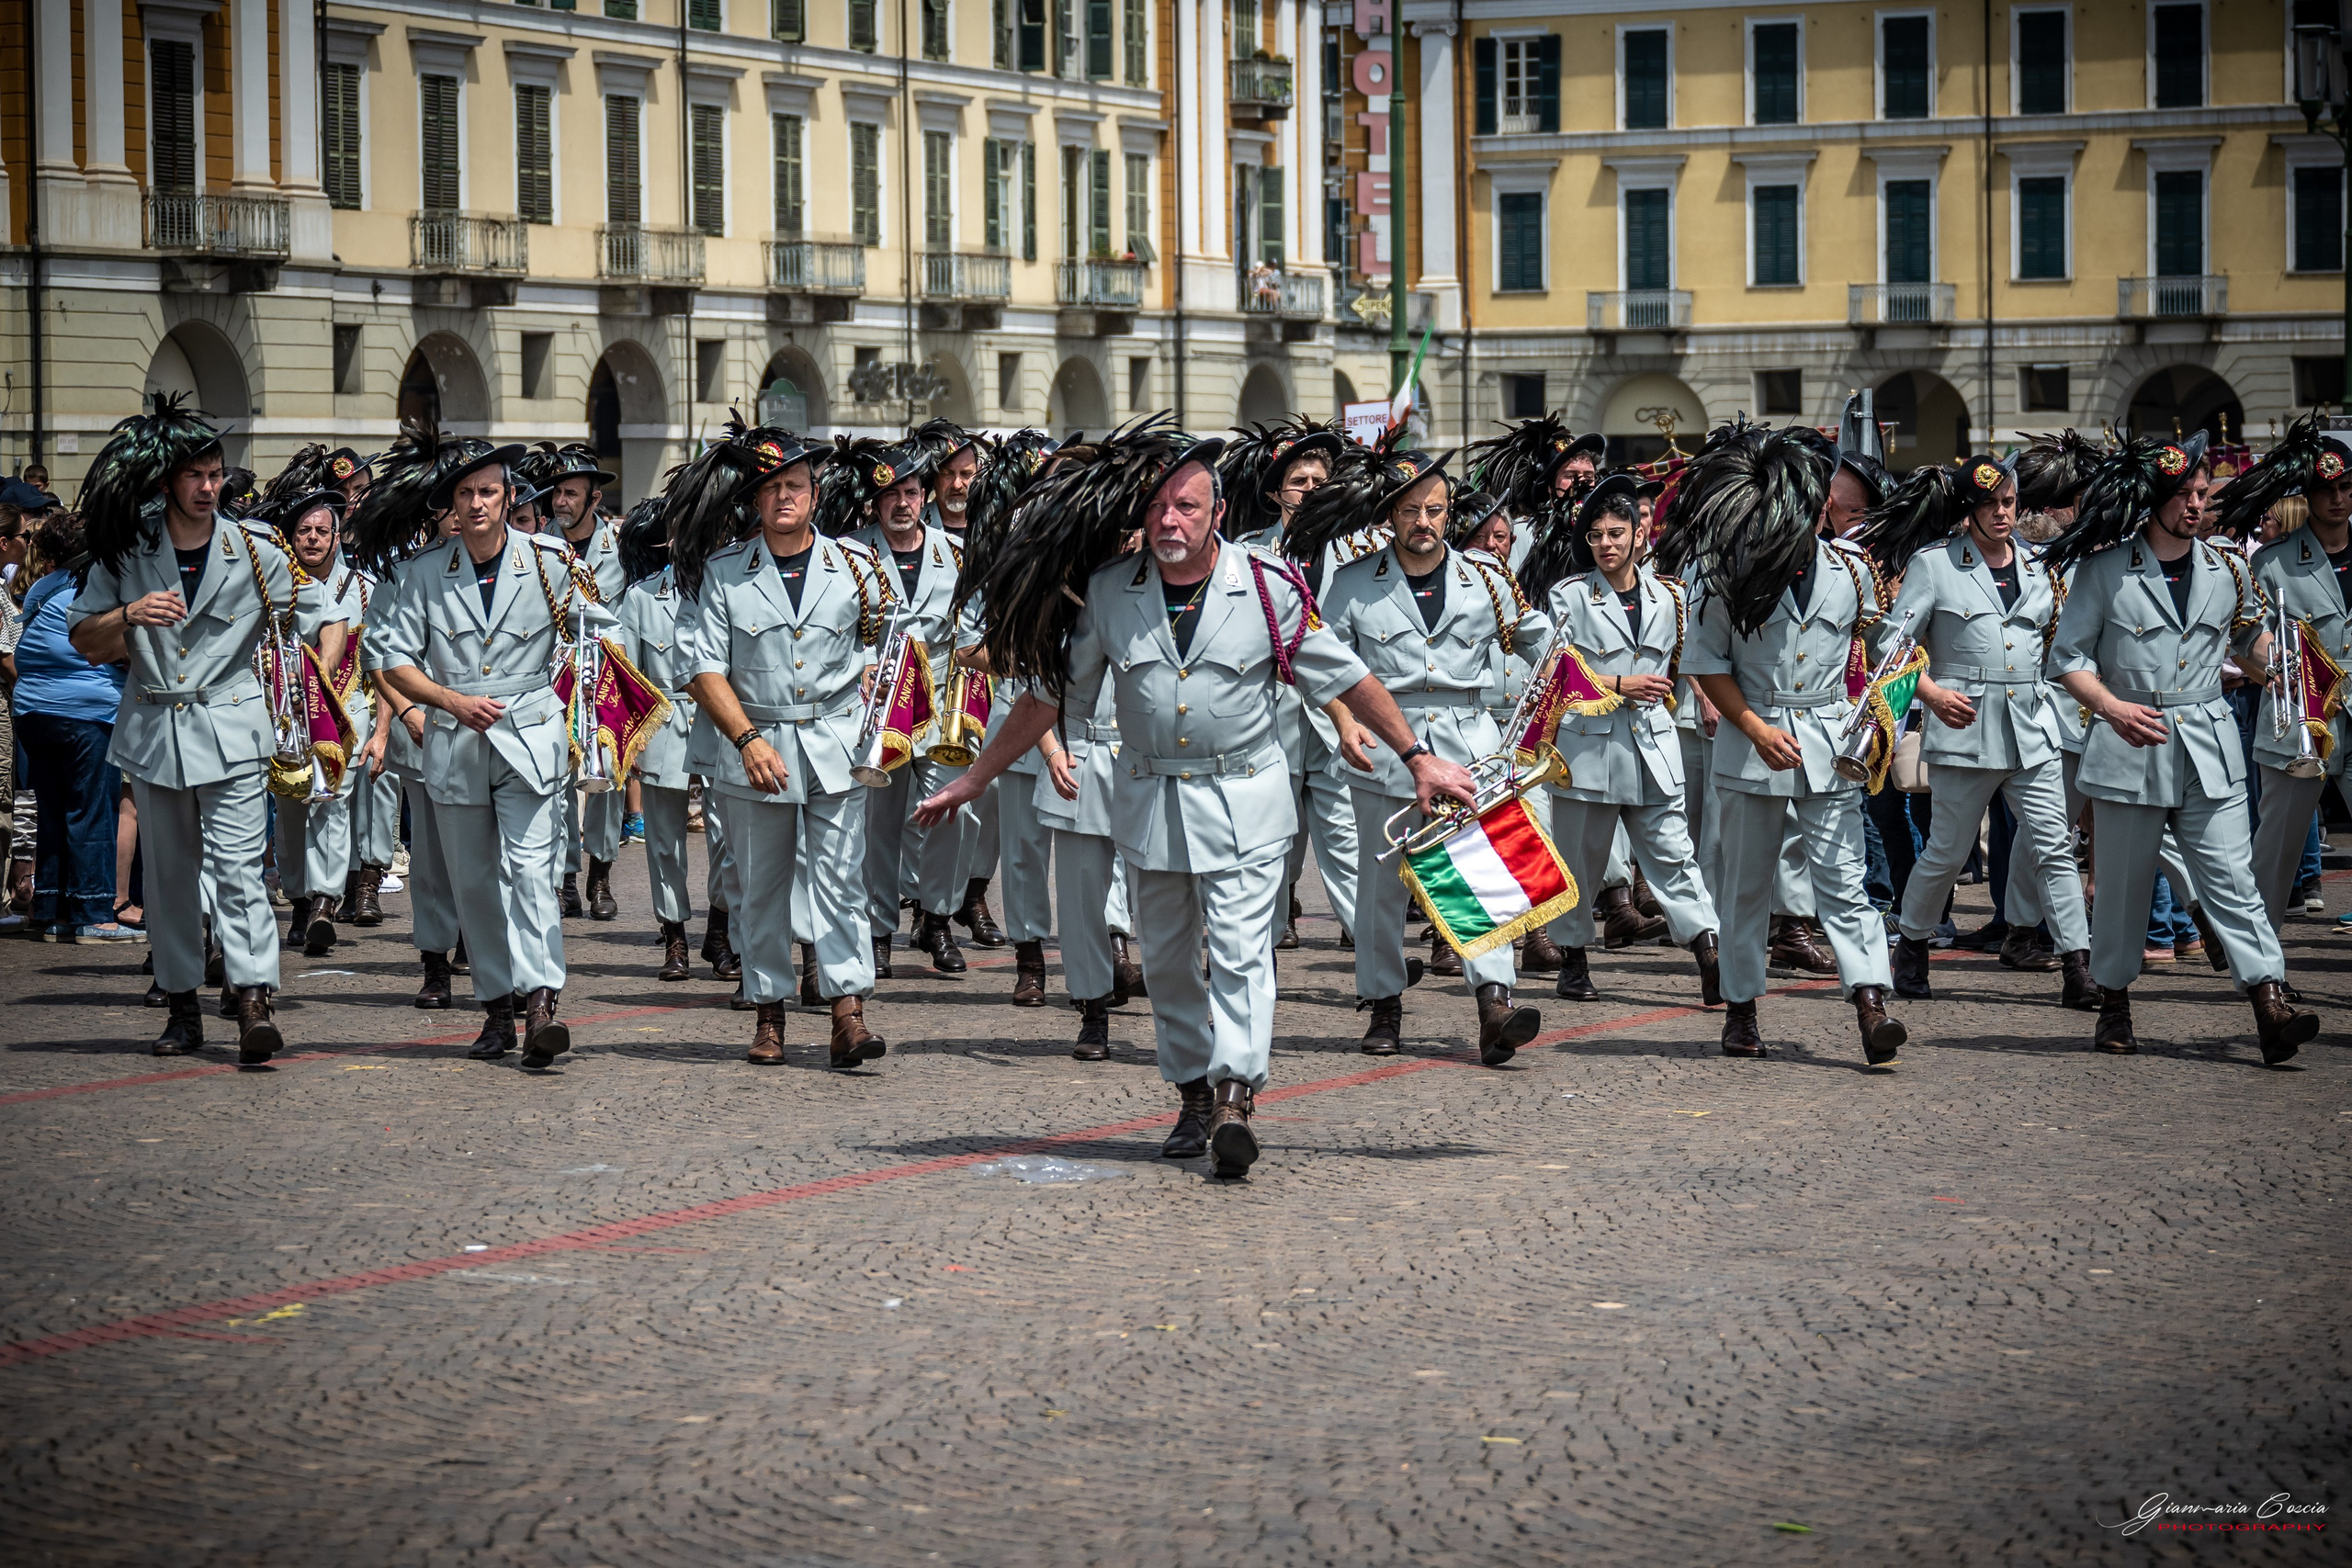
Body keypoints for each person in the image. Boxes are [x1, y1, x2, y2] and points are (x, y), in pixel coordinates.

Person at [920, 423, 1479, 1181]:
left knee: (1245, 954)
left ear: (1216, 512)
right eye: (1159, 509)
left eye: (1187, 507)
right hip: (1150, 801)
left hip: (1246, 797)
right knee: (1172, 964)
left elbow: (1345, 676)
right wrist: (976, 777)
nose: (1171, 522)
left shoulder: (1268, 587)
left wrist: (1416, 756)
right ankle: (1189, 1088)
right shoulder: (1113, 593)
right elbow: (1052, 697)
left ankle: (1234, 1094)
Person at [2046, 432, 2314, 1062]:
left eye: (2201, 492)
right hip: (2130, 739)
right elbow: (2068, 658)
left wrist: (2282, 666)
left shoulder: (2226, 567)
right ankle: (2113, 1003)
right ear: (2153, 499)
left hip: (2208, 743)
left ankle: (2268, 1000)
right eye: (2183, 494)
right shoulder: (2106, 568)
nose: (2196, 503)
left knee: (2231, 878)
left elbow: (2247, 640)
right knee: (2122, 886)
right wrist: (2109, 706)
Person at [68, 396, 313, 1061]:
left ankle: (255, 996)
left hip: (232, 725)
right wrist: (129, 613)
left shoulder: (257, 548)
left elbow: (316, 613)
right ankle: (181, 1007)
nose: (210, 487)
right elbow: (84, 638)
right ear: (166, 480)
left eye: (216, 474)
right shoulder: (127, 550)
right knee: (171, 879)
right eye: (195, 475)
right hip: (154, 730)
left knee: (238, 871)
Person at [373, 437, 617, 1069]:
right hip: (456, 739)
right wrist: (448, 702)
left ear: (510, 497)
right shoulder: (427, 571)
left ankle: (541, 1002)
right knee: (474, 882)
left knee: (533, 872)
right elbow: (393, 658)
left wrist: (591, 708)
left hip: (529, 732)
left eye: (488, 491)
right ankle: (495, 1010)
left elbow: (595, 637)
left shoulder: (549, 559)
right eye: (466, 493)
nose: (477, 504)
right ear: (451, 504)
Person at [1316, 446, 1555, 1061]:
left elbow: (1547, 649)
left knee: (1478, 876)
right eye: (1412, 510)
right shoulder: (1350, 584)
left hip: (1468, 748)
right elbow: (1325, 669)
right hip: (1385, 746)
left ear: (1450, 513)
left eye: (1437, 509)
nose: (1425, 520)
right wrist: (1345, 723)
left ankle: (1493, 1002)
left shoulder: (1489, 580)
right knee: (1382, 891)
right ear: (1389, 516)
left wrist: (1544, 716)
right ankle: (1384, 1001)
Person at [1680, 423, 1905, 1066]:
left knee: (1844, 881)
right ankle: (1742, 1007)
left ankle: (1870, 1000)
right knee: (1747, 886)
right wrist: (1751, 727)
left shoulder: (1853, 569)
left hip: (1830, 744)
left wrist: (1888, 710)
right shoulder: (1727, 568)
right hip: (1756, 739)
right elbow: (1706, 661)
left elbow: (1882, 649)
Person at [674, 425, 891, 1067]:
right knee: (762, 886)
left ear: (815, 494)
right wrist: (745, 738)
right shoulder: (725, 575)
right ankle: (769, 1011)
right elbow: (702, 668)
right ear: (754, 502)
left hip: (836, 744)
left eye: (793, 485)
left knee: (841, 882)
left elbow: (887, 654)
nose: (782, 498)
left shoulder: (857, 569)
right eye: (769, 489)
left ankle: (847, 1011)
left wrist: (881, 714)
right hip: (757, 745)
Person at [1859, 457, 2096, 1010]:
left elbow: (2059, 649)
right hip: (1963, 729)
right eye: (1989, 504)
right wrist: (1932, 694)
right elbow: (1887, 645)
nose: (2001, 513)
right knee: (1946, 851)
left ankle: (2076, 965)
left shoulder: (2040, 567)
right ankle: (1912, 947)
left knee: (2055, 848)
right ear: (1968, 511)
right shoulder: (1936, 565)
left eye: (2009, 502)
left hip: (2032, 729)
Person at [1539, 473, 1721, 1005]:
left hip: (1653, 747)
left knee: (1674, 855)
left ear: (1639, 535)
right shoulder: (1569, 596)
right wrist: (1619, 683)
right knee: (1580, 862)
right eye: (1596, 535)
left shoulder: (1670, 597)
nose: (1606, 544)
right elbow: (1552, 673)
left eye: (1616, 533)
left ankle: (1709, 952)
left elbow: (1688, 661)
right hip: (1589, 751)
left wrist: (1706, 698)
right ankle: (1573, 959)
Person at [838, 443, 985, 976]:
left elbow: (972, 630)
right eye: (891, 495)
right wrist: (860, 667)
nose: (903, 503)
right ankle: (879, 929)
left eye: (911, 492)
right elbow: (839, 635)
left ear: (924, 496)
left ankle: (936, 919)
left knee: (950, 812)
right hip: (878, 709)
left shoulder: (956, 553)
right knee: (878, 822)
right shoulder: (849, 553)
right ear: (875, 504)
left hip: (942, 706)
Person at [1224, 421, 1363, 951]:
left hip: (1338, 719)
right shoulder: (1247, 552)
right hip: (1270, 713)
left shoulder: (1357, 550)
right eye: (1297, 480)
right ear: (1275, 492)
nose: (1308, 490)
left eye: (1317, 480)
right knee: (1271, 833)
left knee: (1344, 833)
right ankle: (1265, 930)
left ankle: (1365, 937)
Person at [2212, 419, 2352, 934]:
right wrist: (2276, 663)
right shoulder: (2272, 563)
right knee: (2275, 853)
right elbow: (2244, 633)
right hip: (2299, 718)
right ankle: (2261, 964)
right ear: (2307, 494)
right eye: (2325, 489)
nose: (2336, 499)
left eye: (2345, 487)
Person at [12, 509, 136, 941]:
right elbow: (115, 649)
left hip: (31, 712)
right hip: (87, 713)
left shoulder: (42, 587)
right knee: (92, 812)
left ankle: (52, 911)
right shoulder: (96, 589)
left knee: (51, 810)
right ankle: (94, 914)